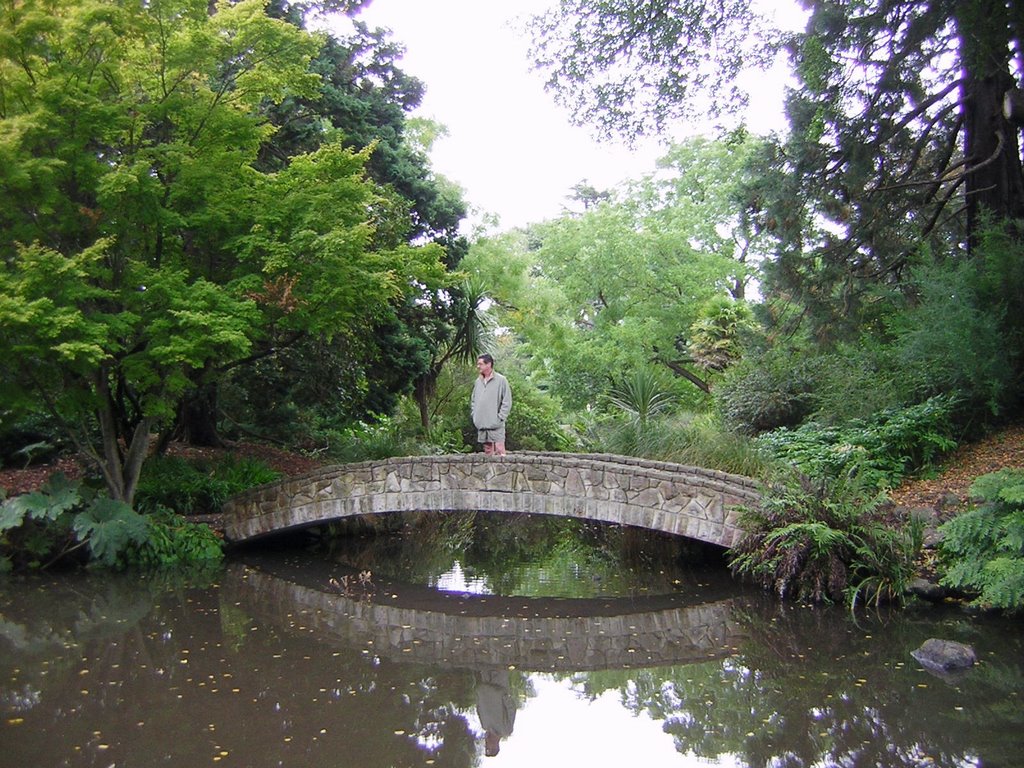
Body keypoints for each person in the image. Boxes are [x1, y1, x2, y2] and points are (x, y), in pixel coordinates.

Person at [471, 353, 512, 455]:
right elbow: (473, 400)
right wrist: (475, 416)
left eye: (480, 364)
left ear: (488, 364)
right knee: (488, 451)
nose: (478, 366)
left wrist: (501, 417)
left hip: (496, 423)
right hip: (482, 423)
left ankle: (504, 471)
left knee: (500, 449)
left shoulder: (501, 380)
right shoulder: (478, 382)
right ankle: (490, 471)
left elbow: (507, 400)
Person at [475, 668, 516, 757]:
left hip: (484, 682)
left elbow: (479, 709)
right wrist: (502, 695)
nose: (485, 743)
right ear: (495, 746)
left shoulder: (484, 725)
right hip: (499, 683)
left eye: (485, 746)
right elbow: (511, 709)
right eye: (487, 747)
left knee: (484, 659)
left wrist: (479, 695)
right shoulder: (506, 730)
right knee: (499, 659)